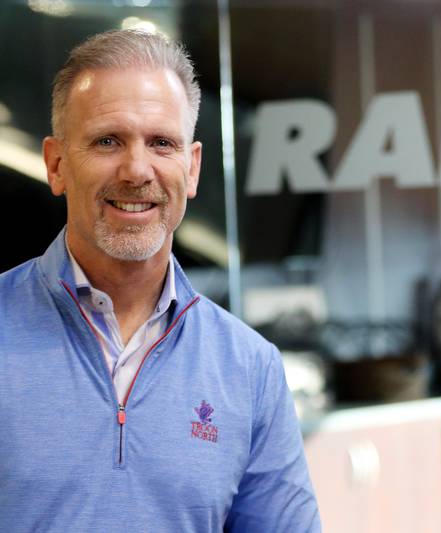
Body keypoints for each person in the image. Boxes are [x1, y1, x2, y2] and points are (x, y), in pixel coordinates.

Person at [0, 29, 321, 532]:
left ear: (191, 169)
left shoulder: (249, 369)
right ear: (57, 164)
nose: (136, 169)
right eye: (108, 141)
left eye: (161, 143)